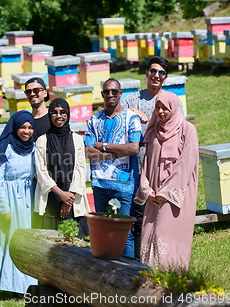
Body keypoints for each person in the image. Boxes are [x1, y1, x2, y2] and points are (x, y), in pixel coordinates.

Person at [120, 55, 185, 261]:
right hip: (134, 168)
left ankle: (159, 259)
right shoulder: (132, 99)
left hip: (159, 171)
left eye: (161, 73)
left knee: (156, 218)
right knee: (136, 218)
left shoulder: (171, 101)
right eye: (153, 71)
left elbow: (178, 130)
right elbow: (115, 112)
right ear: (147, 73)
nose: (156, 76)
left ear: (165, 78)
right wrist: (133, 110)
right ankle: (137, 261)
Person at [134, 91, 198, 270]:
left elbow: (187, 162)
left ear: (174, 108)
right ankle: (149, 279)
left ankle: (172, 280)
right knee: (149, 234)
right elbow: (147, 162)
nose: (160, 112)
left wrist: (167, 192)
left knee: (167, 235)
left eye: (165, 108)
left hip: (176, 195)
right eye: (157, 108)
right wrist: (147, 190)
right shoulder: (153, 132)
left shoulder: (187, 129)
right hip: (154, 196)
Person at [84, 78, 142, 259]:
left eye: (114, 91)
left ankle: (128, 274)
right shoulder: (94, 120)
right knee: (103, 231)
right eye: (107, 92)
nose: (110, 95)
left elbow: (133, 148)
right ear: (102, 94)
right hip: (100, 184)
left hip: (124, 185)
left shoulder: (131, 118)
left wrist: (104, 146)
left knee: (125, 233)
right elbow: (87, 150)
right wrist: (114, 153)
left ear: (120, 94)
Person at [0, 111, 37, 295]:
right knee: (9, 239)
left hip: (27, 197)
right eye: (23, 127)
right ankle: (5, 284)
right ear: (15, 127)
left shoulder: (34, 146)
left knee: (25, 239)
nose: (26, 131)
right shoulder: (3, 147)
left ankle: (25, 285)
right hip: (10, 198)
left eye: (30, 127)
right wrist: (4, 208)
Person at [34, 98, 90, 237]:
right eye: (54, 113)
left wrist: (68, 199)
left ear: (68, 114)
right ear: (49, 115)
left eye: (63, 112)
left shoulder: (77, 140)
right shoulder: (42, 140)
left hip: (73, 201)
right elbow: (41, 172)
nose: (59, 116)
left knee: (75, 245)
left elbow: (80, 169)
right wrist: (60, 194)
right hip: (50, 200)